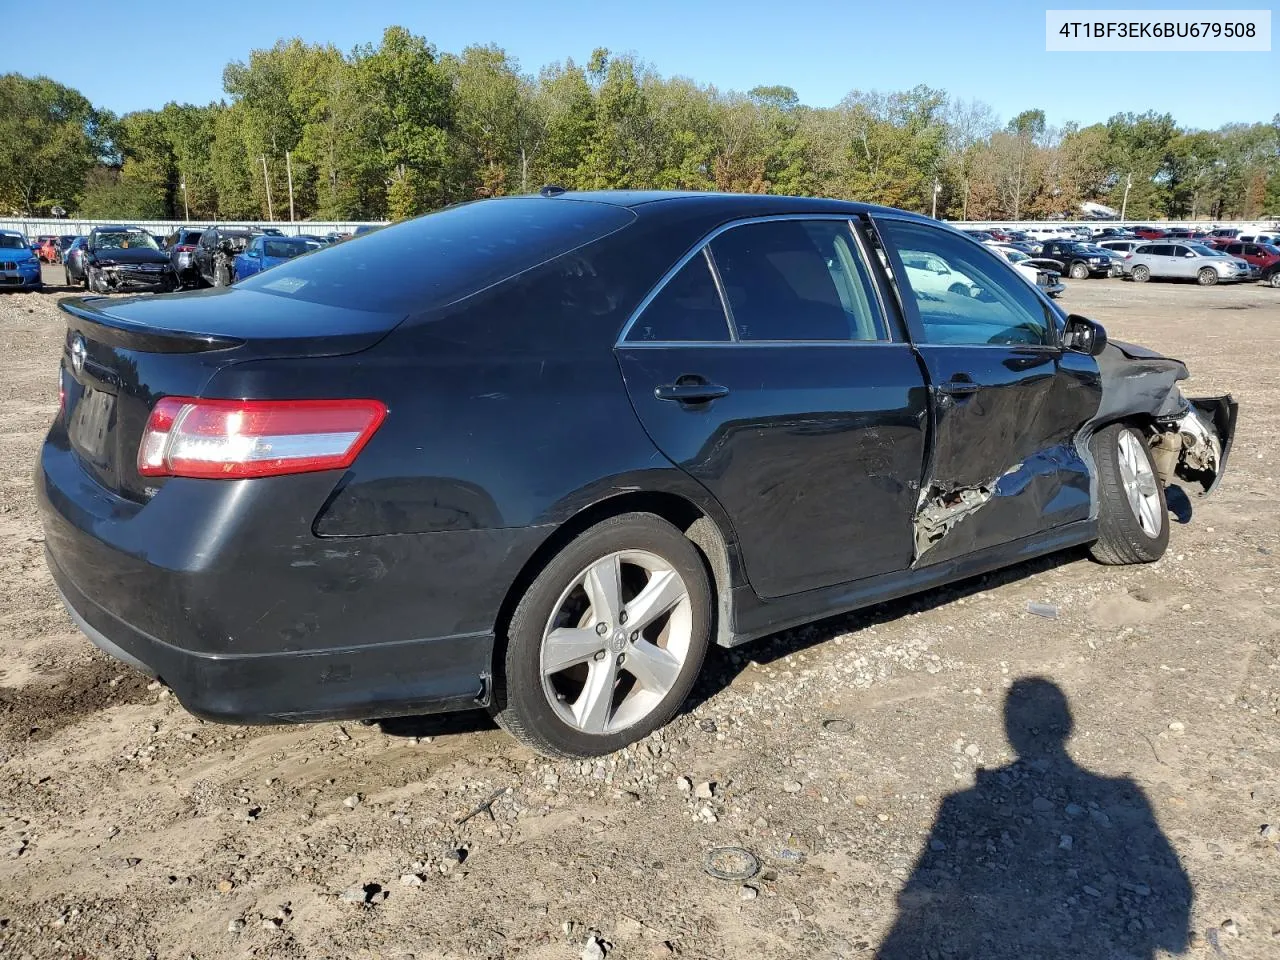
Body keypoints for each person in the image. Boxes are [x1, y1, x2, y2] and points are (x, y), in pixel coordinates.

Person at [877, 677, 1191, 959]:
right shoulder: (1128, 796)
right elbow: (1175, 932)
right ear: (1069, 725)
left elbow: (915, 898)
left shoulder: (959, 803)